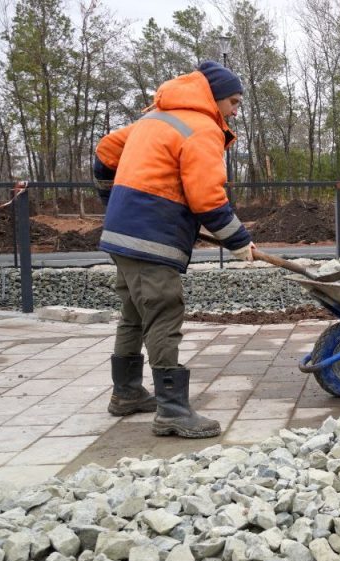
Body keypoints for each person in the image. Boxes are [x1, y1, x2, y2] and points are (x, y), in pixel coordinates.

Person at [92, 61, 254, 438]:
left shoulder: (156, 119)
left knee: (135, 312)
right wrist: (239, 241)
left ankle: (127, 393)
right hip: (152, 237)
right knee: (164, 312)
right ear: (214, 97)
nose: (235, 111)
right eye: (233, 102)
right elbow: (207, 198)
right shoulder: (202, 127)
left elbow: (104, 153)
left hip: (124, 234)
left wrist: (113, 204)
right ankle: (172, 411)